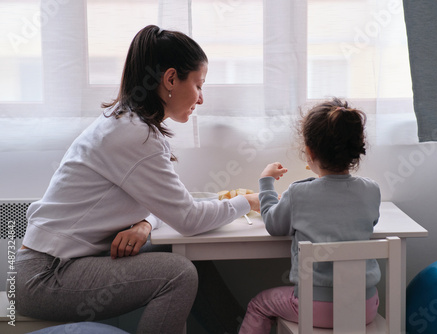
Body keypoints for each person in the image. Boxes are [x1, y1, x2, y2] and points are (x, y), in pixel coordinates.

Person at [12, 25, 259, 334]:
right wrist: (247, 201)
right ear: (170, 79)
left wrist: (144, 223)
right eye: (198, 84)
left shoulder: (130, 124)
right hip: (45, 276)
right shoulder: (135, 136)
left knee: (194, 262)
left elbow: (167, 205)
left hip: (58, 265)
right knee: (180, 273)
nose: (201, 98)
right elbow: (189, 218)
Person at [238, 98, 381, 333]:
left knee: (259, 304)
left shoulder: (299, 193)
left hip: (316, 308)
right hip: (365, 308)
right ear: (356, 149)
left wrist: (266, 183)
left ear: (310, 151)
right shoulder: (372, 190)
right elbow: (370, 221)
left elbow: (274, 224)